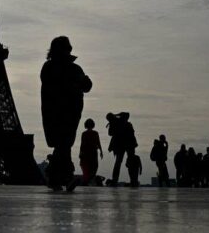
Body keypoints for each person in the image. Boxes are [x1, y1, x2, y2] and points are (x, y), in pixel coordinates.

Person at [40, 36, 93, 192]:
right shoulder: (72, 69)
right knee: (64, 143)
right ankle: (64, 176)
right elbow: (86, 86)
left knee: (63, 144)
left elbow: (86, 86)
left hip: (59, 111)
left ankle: (56, 176)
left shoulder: (50, 67)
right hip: (65, 111)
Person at [106, 112, 137, 186]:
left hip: (122, 144)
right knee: (129, 162)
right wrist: (115, 116)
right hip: (127, 144)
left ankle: (115, 180)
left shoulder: (116, 122)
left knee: (120, 162)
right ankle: (133, 180)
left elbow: (110, 133)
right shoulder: (122, 120)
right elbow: (127, 114)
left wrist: (114, 116)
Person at [78, 119, 103, 186]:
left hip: (86, 153)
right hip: (93, 152)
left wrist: (80, 152)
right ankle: (87, 180)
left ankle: (86, 181)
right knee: (94, 167)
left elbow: (82, 144)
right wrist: (101, 151)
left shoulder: (84, 134)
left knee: (87, 168)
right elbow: (98, 143)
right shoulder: (95, 133)